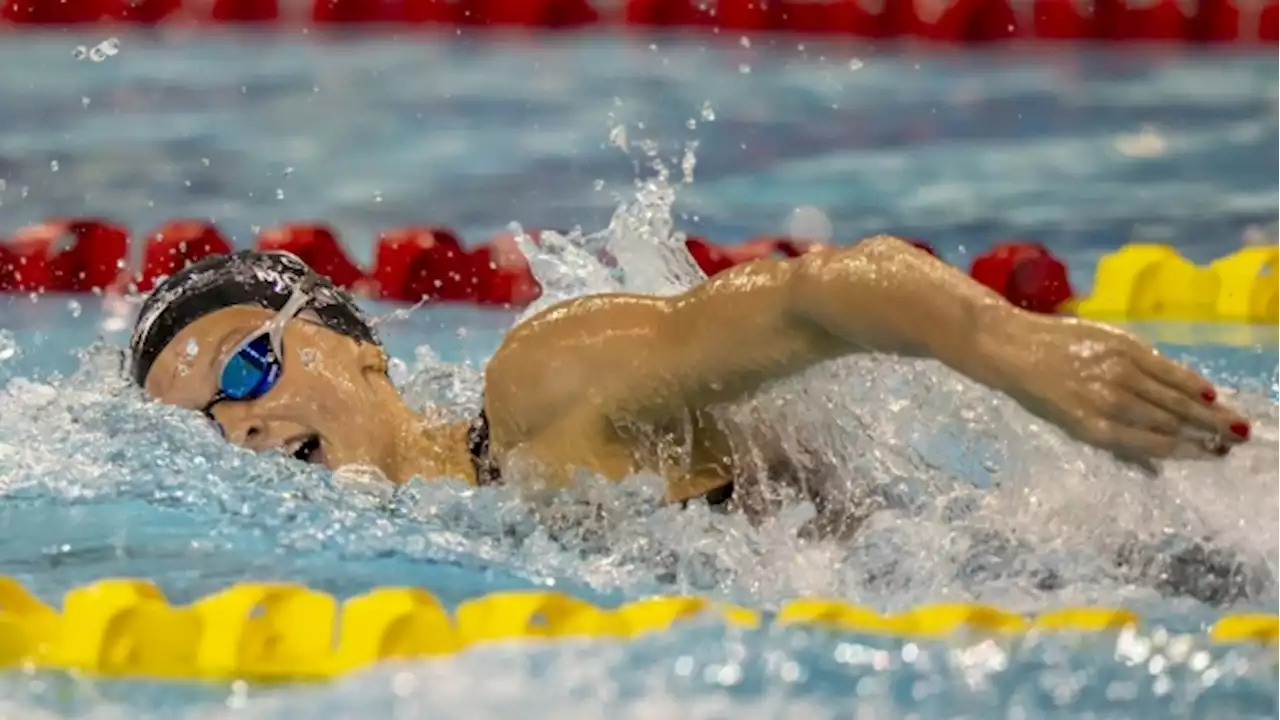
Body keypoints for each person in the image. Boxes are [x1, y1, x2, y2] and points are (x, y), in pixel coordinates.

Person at [129, 234, 1252, 510]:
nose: (244, 429)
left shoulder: (544, 391)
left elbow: (816, 294)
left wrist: (1015, 346)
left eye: (248, 369)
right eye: (206, 428)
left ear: (356, 341)